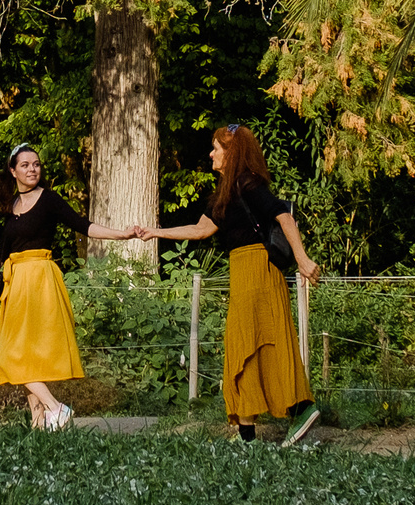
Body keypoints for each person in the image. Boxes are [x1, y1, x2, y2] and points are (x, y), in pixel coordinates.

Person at [135, 123, 323, 444]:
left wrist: (303, 261)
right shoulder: (224, 192)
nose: (211, 153)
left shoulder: (248, 184)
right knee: (243, 346)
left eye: (216, 148)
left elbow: (284, 216)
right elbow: (200, 230)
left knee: (265, 341)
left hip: (260, 270)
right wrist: (155, 232)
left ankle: (301, 408)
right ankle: (248, 432)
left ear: (232, 152)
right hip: (243, 272)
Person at [0, 143, 131, 430]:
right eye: (25, 165)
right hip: (16, 285)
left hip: (40, 280)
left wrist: (121, 234)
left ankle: (56, 408)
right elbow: (0, 253)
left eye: (36, 164)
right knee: (23, 354)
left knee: (15, 355)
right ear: (12, 171)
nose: (32, 169)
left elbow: (83, 225)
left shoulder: (50, 200)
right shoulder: (11, 206)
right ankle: (39, 426)